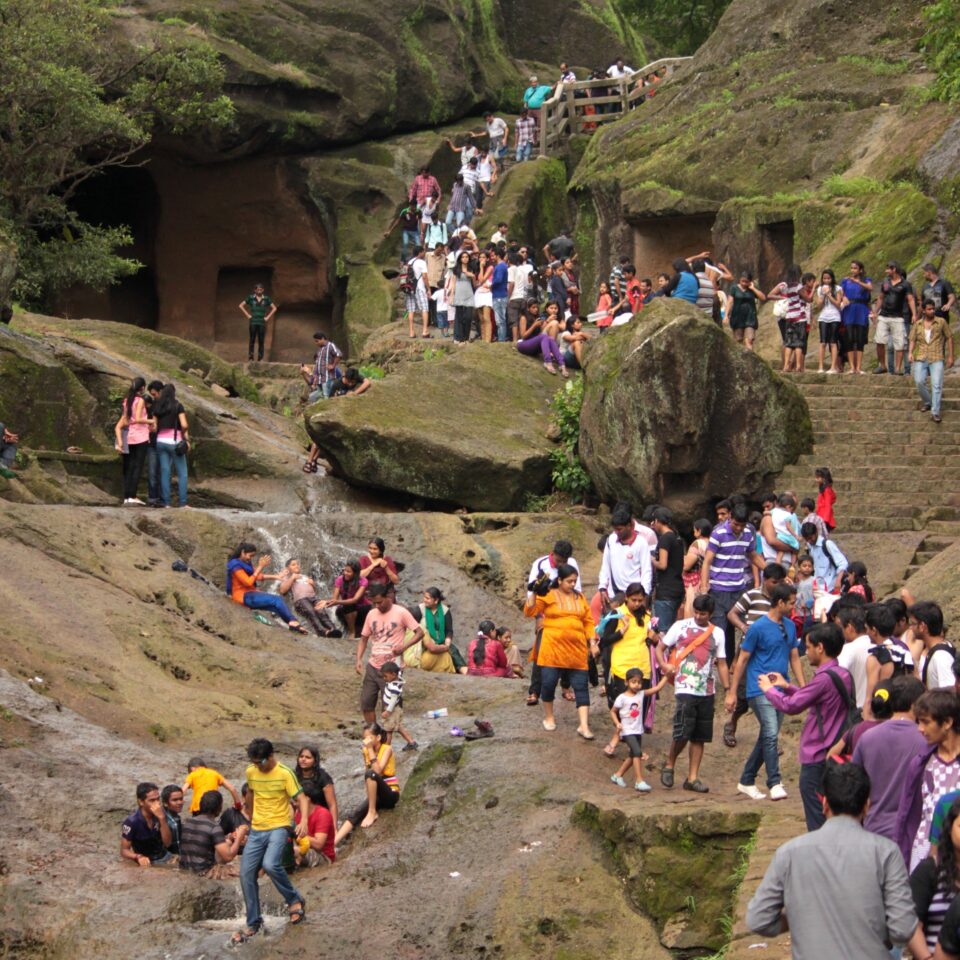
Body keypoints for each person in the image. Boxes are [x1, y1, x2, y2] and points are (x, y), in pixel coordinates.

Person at [746, 761, 920, 959]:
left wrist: (797, 917)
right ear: (867, 806)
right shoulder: (886, 852)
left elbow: (758, 919)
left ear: (825, 804)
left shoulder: (789, 853)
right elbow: (903, 928)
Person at [759, 622, 854, 829]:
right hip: (835, 751)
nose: (806, 651)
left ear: (820, 648)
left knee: (816, 814)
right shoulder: (842, 674)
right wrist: (787, 686)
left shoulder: (823, 679)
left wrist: (769, 690)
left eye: (809, 647)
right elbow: (813, 697)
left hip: (818, 754)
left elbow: (792, 706)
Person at [726, 583, 805, 801]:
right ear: (780, 603)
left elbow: (794, 656)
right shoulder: (758, 628)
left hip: (780, 688)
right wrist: (732, 692)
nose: (793, 606)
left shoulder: (789, 626)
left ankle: (747, 780)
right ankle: (774, 782)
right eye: (791, 603)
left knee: (767, 736)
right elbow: (742, 659)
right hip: (758, 688)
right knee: (771, 733)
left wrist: (802, 687)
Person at [232, 738, 309, 945]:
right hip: (257, 828)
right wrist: (248, 816)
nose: (258, 766)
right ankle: (254, 922)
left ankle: (294, 900)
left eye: (261, 762)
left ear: (271, 755)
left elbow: (302, 798)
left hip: (279, 825)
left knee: (270, 864)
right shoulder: (251, 771)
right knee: (246, 873)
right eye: (254, 762)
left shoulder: (285, 773)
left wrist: (304, 821)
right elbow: (251, 793)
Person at [658, 594, 730, 792]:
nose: (698, 616)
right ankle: (670, 764)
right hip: (684, 686)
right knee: (683, 728)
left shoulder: (718, 633)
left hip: (707, 689)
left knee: (700, 735)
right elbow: (660, 648)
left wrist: (728, 690)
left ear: (711, 614)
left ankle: (692, 777)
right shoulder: (680, 626)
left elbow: (722, 663)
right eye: (696, 612)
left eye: (703, 614)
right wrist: (664, 665)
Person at [524, 563, 596, 738]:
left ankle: (584, 725)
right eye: (569, 581)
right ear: (560, 580)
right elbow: (530, 611)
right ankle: (549, 717)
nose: (573, 584)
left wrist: (592, 642)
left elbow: (588, 621)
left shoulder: (579, 597)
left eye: (575, 581)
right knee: (548, 683)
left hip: (576, 650)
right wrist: (534, 592)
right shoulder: (549, 594)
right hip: (552, 649)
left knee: (581, 686)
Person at [852, 675, 927, 840]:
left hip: (873, 830)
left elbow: (853, 784)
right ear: (915, 704)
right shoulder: (925, 741)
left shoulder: (867, 738)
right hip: (912, 834)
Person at [723, 562, 787, 748]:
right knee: (744, 695)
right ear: (765, 580)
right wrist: (744, 627)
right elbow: (732, 614)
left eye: (781, 582)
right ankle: (731, 723)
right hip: (749, 652)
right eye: (775, 582)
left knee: (771, 694)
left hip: (770, 653)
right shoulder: (751, 595)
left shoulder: (781, 600)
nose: (778, 585)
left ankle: (769, 737)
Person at [897, 689, 960, 871]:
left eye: (926, 722)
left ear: (947, 722)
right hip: (923, 851)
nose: (920, 729)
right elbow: (906, 814)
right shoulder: (921, 764)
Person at [700, 501, 764, 664]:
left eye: (742, 525)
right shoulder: (718, 533)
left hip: (739, 588)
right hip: (719, 588)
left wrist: (770, 570)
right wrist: (704, 587)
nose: (738, 528)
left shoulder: (748, 533)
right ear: (730, 517)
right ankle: (719, 666)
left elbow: (753, 555)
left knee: (747, 626)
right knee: (719, 630)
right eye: (736, 524)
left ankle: (735, 663)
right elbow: (707, 561)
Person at [356, 583, 423, 723]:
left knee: (390, 705)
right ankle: (373, 730)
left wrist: (404, 647)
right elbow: (363, 639)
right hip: (373, 665)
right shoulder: (371, 614)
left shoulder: (401, 612)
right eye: (374, 603)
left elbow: (419, 633)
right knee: (366, 702)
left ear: (388, 597)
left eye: (380, 602)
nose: (377, 606)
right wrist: (359, 659)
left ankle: (388, 733)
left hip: (392, 667)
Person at [526, 541, 581, 705]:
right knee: (540, 650)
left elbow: (577, 590)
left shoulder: (572, 564)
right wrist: (538, 617)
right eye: (558, 561)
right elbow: (532, 591)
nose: (561, 564)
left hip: (566, 613)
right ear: (553, 554)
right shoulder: (540, 564)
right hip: (546, 613)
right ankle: (534, 691)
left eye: (564, 561)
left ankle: (565, 687)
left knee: (568, 650)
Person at [334, 723, 400, 843]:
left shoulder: (387, 749)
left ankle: (372, 812)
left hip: (390, 793)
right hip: (377, 794)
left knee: (371, 774)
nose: (366, 741)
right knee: (357, 813)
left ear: (378, 737)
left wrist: (370, 749)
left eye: (369, 738)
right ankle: (334, 843)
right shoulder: (365, 751)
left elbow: (377, 771)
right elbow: (368, 775)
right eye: (364, 738)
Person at [225, 543, 307, 633]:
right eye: (250, 555)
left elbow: (258, 576)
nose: (250, 558)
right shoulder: (234, 565)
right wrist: (260, 566)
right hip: (241, 596)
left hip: (249, 593)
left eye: (252, 556)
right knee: (276, 600)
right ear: (243, 552)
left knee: (275, 607)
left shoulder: (246, 562)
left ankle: (293, 623)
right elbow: (248, 582)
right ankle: (293, 622)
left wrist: (276, 576)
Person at [610, 668, 664, 793]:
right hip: (627, 731)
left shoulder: (641, 694)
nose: (637, 685)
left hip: (637, 730)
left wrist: (666, 676)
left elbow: (656, 689)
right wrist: (617, 723)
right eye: (633, 682)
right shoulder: (622, 698)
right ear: (626, 682)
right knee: (637, 752)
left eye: (639, 682)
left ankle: (617, 775)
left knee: (633, 755)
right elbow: (613, 711)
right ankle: (639, 781)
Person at [179, 790, 246, 877]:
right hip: (204, 872)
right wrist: (239, 838)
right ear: (219, 808)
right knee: (246, 871)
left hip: (184, 869)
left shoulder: (188, 822)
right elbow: (228, 857)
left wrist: (229, 838)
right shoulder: (214, 827)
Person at [599, 504, 654, 606]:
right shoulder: (611, 540)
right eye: (615, 529)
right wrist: (602, 587)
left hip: (635, 593)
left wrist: (645, 594)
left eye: (619, 529)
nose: (617, 532)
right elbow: (605, 565)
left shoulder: (641, 543)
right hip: (615, 593)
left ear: (629, 526)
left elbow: (646, 570)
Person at [910, 298, 954, 423]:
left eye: (933, 308)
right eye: (929, 309)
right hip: (921, 356)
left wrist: (950, 356)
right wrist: (910, 353)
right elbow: (912, 339)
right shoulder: (918, 324)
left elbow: (949, 337)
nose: (932, 311)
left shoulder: (941, 322)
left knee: (936, 384)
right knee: (919, 381)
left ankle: (935, 412)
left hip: (937, 356)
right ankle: (928, 401)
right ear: (924, 310)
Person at [277, 558, 341, 638]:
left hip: (313, 598)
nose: (296, 566)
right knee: (311, 612)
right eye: (293, 565)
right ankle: (322, 631)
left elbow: (315, 591)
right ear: (287, 568)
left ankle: (333, 629)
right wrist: (292, 578)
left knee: (321, 611)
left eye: (297, 564)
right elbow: (282, 590)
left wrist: (313, 584)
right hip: (301, 600)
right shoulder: (287, 577)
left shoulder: (304, 576)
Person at [872, 260, 916, 375]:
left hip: (898, 317)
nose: (886, 271)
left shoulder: (905, 284)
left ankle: (897, 368)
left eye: (888, 269)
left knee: (899, 343)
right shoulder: (886, 282)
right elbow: (881, 297)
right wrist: (875, 311)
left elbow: (911, 299)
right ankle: (882, 365)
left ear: (894, 269)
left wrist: (914, 314)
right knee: (879, 340)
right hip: (884, 315)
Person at [151, 383, 190, 509]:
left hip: (160, 442)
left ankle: (166, 503)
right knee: (182, 473)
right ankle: (183, 503)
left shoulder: (158, 407)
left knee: (165, 472)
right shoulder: (178, 406)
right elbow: (184, 425)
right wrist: (184, 436)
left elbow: (154, 427)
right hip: (174, 442)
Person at [116, 377, 153, 505]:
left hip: (130, 436)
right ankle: (132, 495)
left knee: (129, 466)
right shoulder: (140, 400)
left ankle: (126, 496)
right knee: (138, 466)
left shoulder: (127, 400)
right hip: (141, 436)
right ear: (142, 387)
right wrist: (151, 421)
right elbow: (137, 418)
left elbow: (126, 419)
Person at [120, 782, 175, 866]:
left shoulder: (160, 814)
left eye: (158, 799)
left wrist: (162, 819)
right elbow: (124, 851)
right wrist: (138, 857)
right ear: (141, 802)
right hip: (146, 860)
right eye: (152, 800)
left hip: (164, 856)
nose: (157, 804)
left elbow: (168, 843)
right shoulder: (132, 822)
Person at [415, 587, 464, 674]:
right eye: (424, 597)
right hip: (425, 641)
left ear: (436, 600)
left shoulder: (445, 611)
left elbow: (449, 630)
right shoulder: (420, 609)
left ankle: (464, 671)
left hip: (442, 640)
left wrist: (447, 642)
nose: (424, 600)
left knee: (454, 652)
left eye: (427, 598)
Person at [651, 507, 684, 634]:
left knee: (663, 632)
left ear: (658, 521)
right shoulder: (676, 537)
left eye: (654, 521)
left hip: (666, 591)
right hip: (677, 588)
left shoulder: (665, 538)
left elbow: (663, 564)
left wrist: (652, 560)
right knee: (671, 630)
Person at [912, 602, 956, 690]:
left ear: (922, 626)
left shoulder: (941, 657)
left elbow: (949, 692)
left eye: (913, 624)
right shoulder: (935, 651)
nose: (911, 628)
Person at [839, 259, 873, 374]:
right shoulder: (846, 281)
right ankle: (851, 367)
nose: (853, 270)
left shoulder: (866, 280)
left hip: (861, 309)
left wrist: (858, 282)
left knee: (859, 339)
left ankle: (858, 367)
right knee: (849, 338)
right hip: (849, 309)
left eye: (855, 268)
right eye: (852, 268)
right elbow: (840, 292)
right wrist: (843, 297)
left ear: (860, 270)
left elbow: (870, 288)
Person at [517, 299, 566, 375]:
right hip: (524, 344)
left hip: (535, 345)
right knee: (544, 337)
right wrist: (534, 325)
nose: (536, 309)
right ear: (528, 308)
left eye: (537, 307)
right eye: (533, 307)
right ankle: (548, 362)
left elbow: (541, 333)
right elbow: (523, 336)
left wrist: (544, 324)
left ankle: (562, 364)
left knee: (549, 339)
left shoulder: (538, 317)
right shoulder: (523, 317)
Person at [293, 781, 336, 868]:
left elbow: (319, 844)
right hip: (304, 849)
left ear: (307, 799)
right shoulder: (298, 814)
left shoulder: (322, 814)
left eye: (296, 801)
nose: (294, 804)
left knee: (292, 851)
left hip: (323, 856)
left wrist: (297, 834)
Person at [293, 746, 338, 826]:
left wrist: (334, 827)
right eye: (301, 756)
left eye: (308, 757)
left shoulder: (323, 777)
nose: (303, 759)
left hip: (320, 816)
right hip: (300, 816)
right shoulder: (294, 776)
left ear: (315, 761)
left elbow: (332, 805)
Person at [379, 660, 418, 750]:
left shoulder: (394, 687)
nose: (384, 678)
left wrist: (388, 711)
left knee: (388, 730)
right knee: (399, 727)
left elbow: (393, 701)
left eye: (385, 676)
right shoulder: (397, 676)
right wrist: (401, 666)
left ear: (393, 675)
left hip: (392, 710)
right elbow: (399, 670)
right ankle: (411, 742)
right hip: (397, 709)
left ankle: (386, 749)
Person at [799, 522, 848, 592]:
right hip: (818, 588)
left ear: (816, 532)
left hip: (831, 586)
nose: (809, 541)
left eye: (811, 538)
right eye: (807, 539)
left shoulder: (827, 544)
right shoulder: (810, 547)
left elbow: (843, 563)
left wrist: (838, 580)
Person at [330, 559, 370, 638]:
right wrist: (327, 603)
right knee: (348, 605)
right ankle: (352, 632)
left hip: (362, 608)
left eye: (348, 572)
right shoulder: (339, 579)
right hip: (345, 609)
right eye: (345, 570)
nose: (345, 573)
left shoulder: (363, 581)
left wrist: (337, 602)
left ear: (355, 573)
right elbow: (334, 599)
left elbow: (355, 599)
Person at [239, 282, 276, 361]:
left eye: (261, 289)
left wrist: (267, 317)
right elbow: (241, 305)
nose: (259, 291)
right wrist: (248, 315)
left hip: (261, 322)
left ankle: (260, 358)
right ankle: (251, 357)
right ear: (255, 290)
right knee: (252, 339)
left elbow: (274, 308)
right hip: (253, 322)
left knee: (261, 340)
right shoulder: (251, 298)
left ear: (263, 290)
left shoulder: (266, 299)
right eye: (258, 289)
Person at [681, 519, 711, 619]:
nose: (694, 532)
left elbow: (687, 565)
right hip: (708, 580)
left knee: (691, 606)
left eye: (694, 530)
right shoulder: (712, 543)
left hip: (694, 581)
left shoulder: (697, 543)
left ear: (699, 531)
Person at [728, 271, 765, 349]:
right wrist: (726, 315)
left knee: (749, 340)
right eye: (742, 281)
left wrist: (753, 288)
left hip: (750, 318)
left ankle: (750, 356)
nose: (744, 283)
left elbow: (763, 298)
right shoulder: (734, 288)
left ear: (750, 282)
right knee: (738, 341)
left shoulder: (752, 290)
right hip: (737, 318)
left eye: (746, 282)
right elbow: (730, 301)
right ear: (740, 279)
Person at [816, 268, 843, 373]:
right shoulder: (820, 289)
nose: (826, 280)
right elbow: (819, 306)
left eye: (828, 278)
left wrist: (829, 295)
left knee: (833, 342)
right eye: (824, 278)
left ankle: (833, 367)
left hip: (835, 317)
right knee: (822, 342)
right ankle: (820, 367)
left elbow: (838, 304)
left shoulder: (838, 288)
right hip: (823, 317)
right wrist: (823, 295)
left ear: (832, 278)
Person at [303, 331, 343, 401]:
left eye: (317, 341)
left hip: (327, 378)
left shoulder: (330, 345)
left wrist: (333, 365)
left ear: (322, 339)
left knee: (326, 397)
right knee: (315, 397)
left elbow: (339, 354)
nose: (316, 343)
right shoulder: (320, 349)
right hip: (320, 379)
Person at [450, 249, 476, 343]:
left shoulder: (471, 268)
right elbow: (453, 283)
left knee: (468, 317)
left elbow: (474, 283)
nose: (465, 259)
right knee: (459, 317)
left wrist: (470, 275)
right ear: (460, 259)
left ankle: (466, 337)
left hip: (469, 293)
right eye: (463, 257)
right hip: (459, 293)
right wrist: (452, 295)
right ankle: (460, 338)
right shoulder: (456, 269)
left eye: (466, 257)